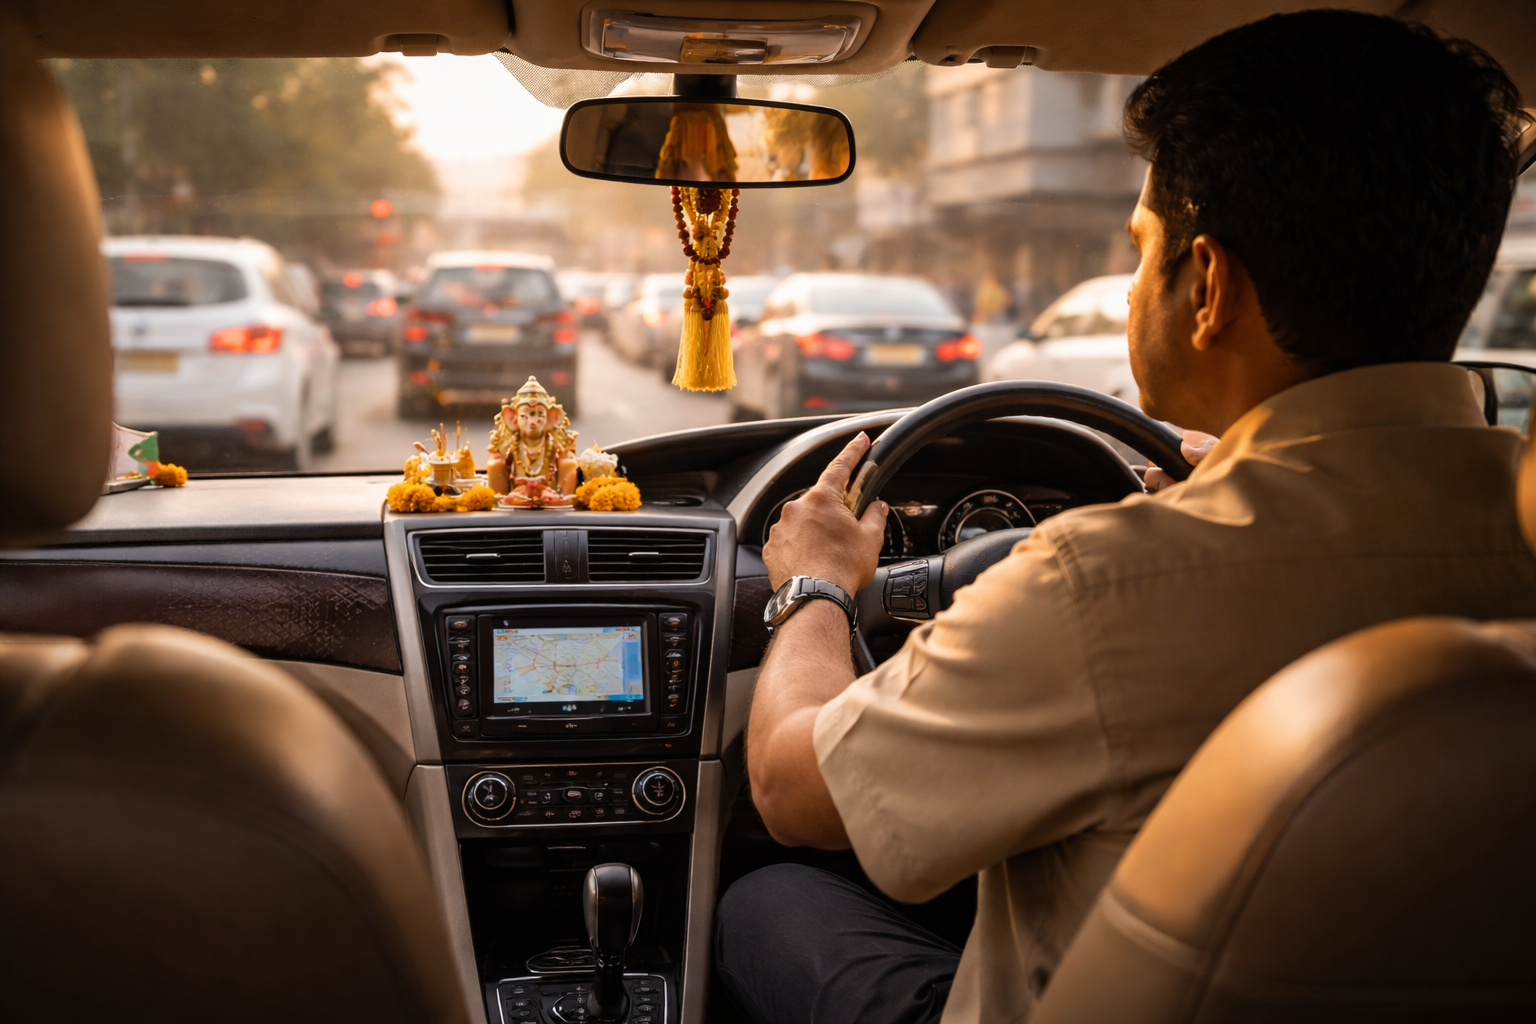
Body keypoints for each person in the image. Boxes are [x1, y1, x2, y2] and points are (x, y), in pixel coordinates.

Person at [714, 11, 1536, 1024]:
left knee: (766, 898)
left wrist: (814, 586)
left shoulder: (1097, 586)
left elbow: (793, 792)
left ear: (1210, 290)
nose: (1139, 273)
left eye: (1145, 246)